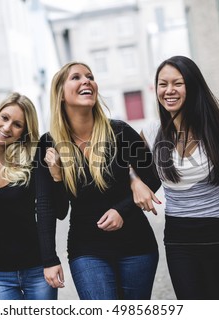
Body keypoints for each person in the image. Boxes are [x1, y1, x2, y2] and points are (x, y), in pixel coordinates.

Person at [130, 55, 219, 300]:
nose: (169, 90)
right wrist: (135, 181)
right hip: (179, 239)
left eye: (177, 83)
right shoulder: (150, 133)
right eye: (163, 84)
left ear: (192, 86)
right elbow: (126, 167)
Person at [35, 61, 162, 300]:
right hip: (87, 250)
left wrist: (123, 209)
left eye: (90, 76)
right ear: (60, 94)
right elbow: (52, 208)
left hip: (137, 245)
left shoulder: (120, 132)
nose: (86, 81)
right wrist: (56, 177)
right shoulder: (48, 144)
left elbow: (153, 176)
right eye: (76, 77)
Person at [0, 92, 58, 300]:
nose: (7, 127)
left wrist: (57, 176)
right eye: (5, 118)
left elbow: (56, 210)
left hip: (37, 268)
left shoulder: (33, 159)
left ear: (24, 132)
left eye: (17, 124)